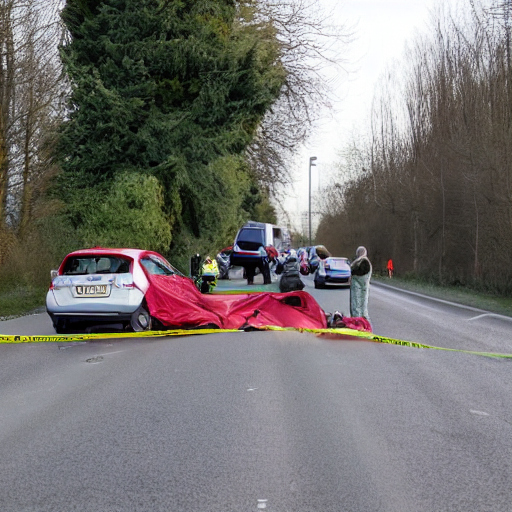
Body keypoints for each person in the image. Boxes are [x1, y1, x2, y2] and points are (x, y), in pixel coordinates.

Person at [350, 246, 372, 323]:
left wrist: (353, 275)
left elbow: (359, 273)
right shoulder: (362, 262)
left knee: (359, 309)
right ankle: (363, 326)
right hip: (362, 289)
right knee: (362, 309)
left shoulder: (362, 262)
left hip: (359, 290)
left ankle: (359, 325)